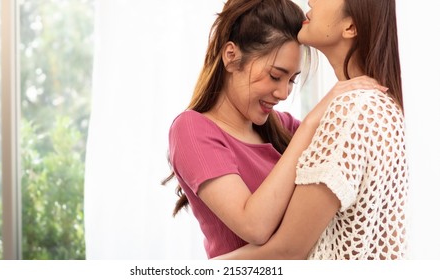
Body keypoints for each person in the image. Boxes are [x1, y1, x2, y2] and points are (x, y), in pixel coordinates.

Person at [164, 0, 385, 259]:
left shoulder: (283, 126)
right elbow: (254, 227)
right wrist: (314, 120)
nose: (283, 93)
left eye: (292, 80)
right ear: (231, 57)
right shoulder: (192, 129)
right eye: (275, 76)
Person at [214, 0, 408, 260]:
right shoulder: (380, 106)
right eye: (276, 76)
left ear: (350, 26)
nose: (310, 1)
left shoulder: (350, 112)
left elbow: (288, 250)